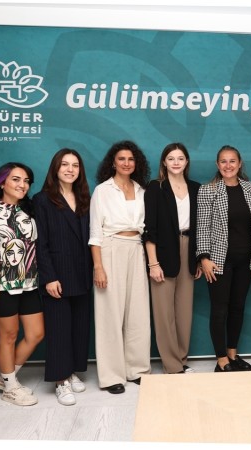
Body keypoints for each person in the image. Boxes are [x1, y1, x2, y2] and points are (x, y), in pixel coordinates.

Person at [90, 140, 151, 393]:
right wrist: (98, 266)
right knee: (110, 314)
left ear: (137, 163)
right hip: (110, 248)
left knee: (138, 312)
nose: (126, 163)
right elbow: (95, 231)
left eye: (131, 159)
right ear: (113, 163)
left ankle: (137, 369)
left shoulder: (142, 190)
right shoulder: (102, 191)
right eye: (121, 159)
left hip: (136, 248)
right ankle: (112, 376)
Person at [33, 149, 93, 406]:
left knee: (79, 327)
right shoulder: (42, 199)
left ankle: (72, 371)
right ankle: (60, 380)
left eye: (75, 165)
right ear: (55, 168)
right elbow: (40, 242)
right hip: (57, 274)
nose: (70, 169)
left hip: (83, 271)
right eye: (65, 164)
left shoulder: (85, 198)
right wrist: (49, 277)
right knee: (59, 328)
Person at [0, 162, 44, 407]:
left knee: (36, 333)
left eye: (26, 180)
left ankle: (5, 377)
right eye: (16, 179)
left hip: (29, 282)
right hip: (1, 284)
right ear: (2, 183)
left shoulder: (30, 211)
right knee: (9, 335)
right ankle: (10, 388)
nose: (22, 185)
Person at [196, 145, 251, 372]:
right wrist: (204, 257)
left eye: (232, 161)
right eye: (223, 161)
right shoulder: (208, 190)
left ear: (239, 163)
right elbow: (202, 227)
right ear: (217, 164)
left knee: (238, 307)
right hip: (217, 261)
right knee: (219, 309)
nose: (228, 165)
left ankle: (233, 354)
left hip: (246, 261)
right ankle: (221, 359)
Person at [143, 143, 201, 374]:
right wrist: (153, 263)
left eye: (180, 158)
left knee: (184, 312)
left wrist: (198, 258)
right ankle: (172, 365)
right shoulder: (155, 187)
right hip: (163, 251)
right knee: (164, 313)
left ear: (187, 162)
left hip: (189, 250)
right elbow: (149, 228)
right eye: (171, 158)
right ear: (164, 162)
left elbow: (200, 227)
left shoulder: (196, 188)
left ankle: (181, 359)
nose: (176, 162)